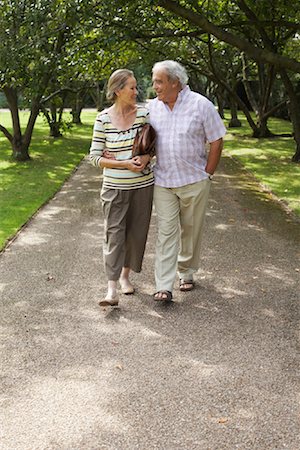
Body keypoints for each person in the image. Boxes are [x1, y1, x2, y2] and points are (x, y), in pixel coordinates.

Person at [149, 60, 226, 302]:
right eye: (154, 82)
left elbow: (216, 140)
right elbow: (143, 139)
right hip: (163, 180)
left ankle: (187, 271)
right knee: (166, 232)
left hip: (194, 180)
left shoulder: (200, 105)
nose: (155, 87)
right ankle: (164, 284)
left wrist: (208, 173)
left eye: (159, 82)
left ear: (175, 82)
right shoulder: (152, 108)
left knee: (191, 231)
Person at [89, 69, 154, 307]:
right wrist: (123, 162)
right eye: (132, 88)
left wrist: (146, 159)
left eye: (136, 87)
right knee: (114, 235)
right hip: (114, 187)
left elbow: (153, 147)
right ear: (118, 91)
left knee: (136, 235)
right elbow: (95, 157)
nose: (136, 92)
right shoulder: (103, 119)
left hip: (142, 186)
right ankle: (111, 289)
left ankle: (126, 277)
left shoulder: (144, 115)